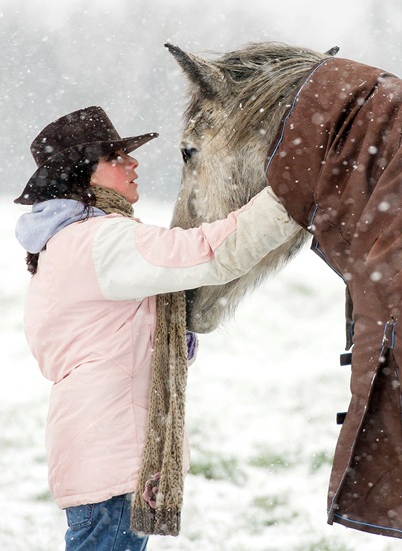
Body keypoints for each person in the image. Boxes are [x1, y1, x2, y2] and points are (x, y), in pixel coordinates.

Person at [14, 106, 300, 550]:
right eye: (116, 157)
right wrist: (289, 191)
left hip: (99, 448)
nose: (134, 164)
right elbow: (211, 252)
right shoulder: (101, 240)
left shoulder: (71, 241)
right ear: (84, 175)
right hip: (111, 453)